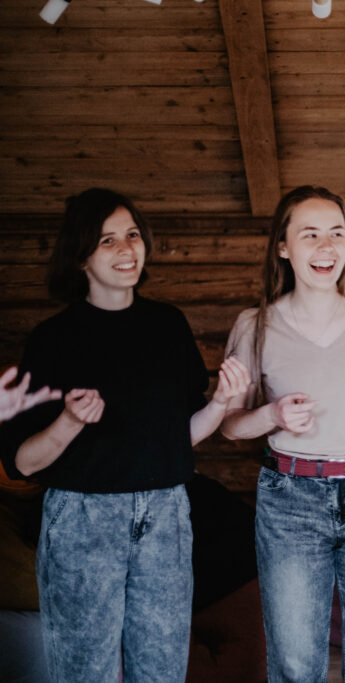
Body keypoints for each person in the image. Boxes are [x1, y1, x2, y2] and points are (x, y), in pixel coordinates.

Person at [0, 188, 249, 682]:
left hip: (166, 516)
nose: (126, 249)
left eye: (132, 235)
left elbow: (180, 439)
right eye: (107, 240)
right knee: (84, 672)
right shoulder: (53, 339)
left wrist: (221, 403)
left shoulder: (168, 325)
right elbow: (23, 462)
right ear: (81, 257)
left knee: (162, 671)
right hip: (81, 521)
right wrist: (69, 422)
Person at [220, 185, 345, 683]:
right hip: (290, 500)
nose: (327, 246)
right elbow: (230, 425)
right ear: (283, 246)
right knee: (294, 664)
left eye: (337, 233)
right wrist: (272, 415)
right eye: (310, 234)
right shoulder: (254, 326)